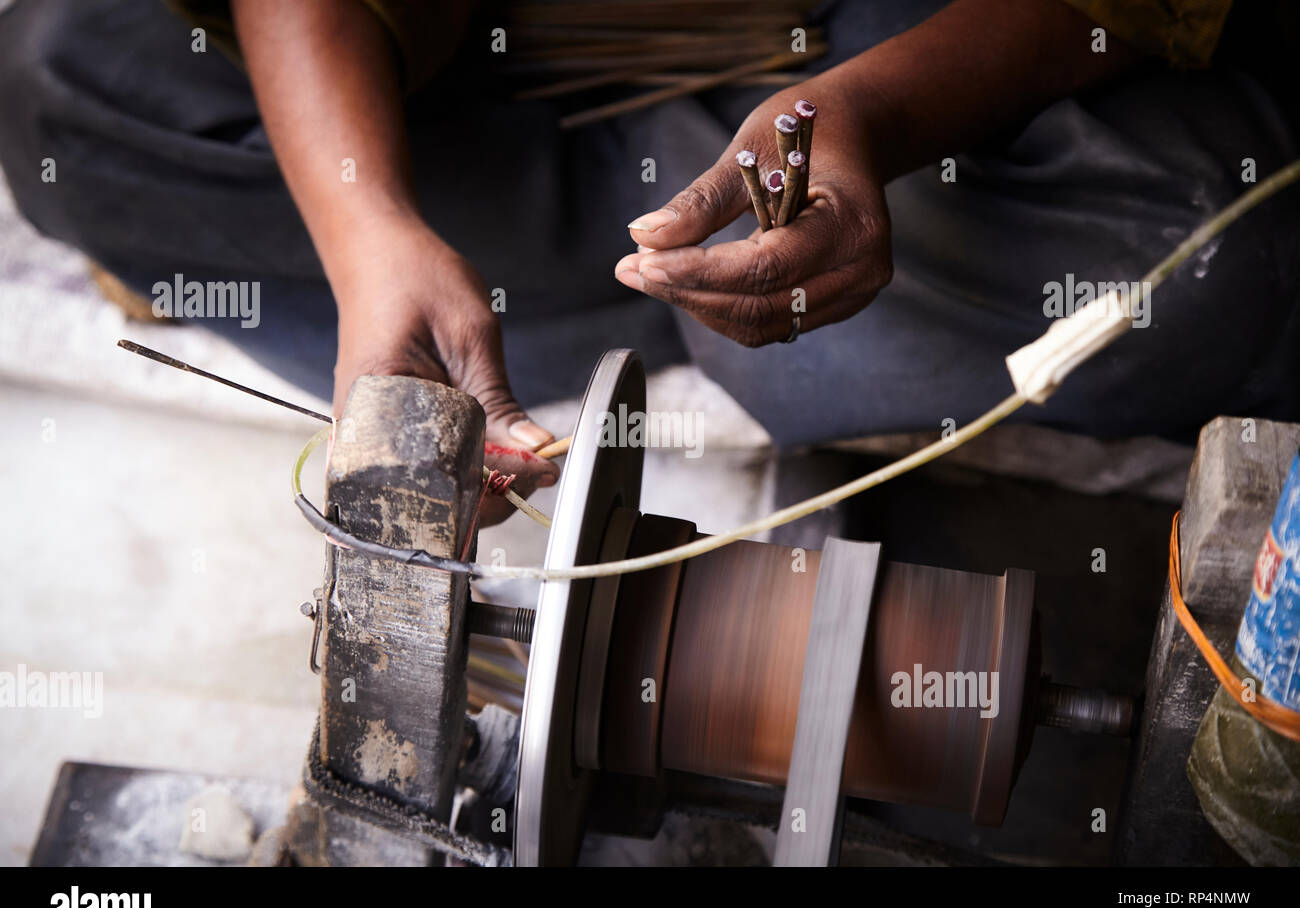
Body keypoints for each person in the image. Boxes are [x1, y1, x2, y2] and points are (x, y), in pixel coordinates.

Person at [1, 0, 1296, 499]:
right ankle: (658, 258)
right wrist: (368, 233)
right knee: (60, 80)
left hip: (886, 47)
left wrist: (863, 118)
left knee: (1209, 252)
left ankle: (723, 261)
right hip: (487, 50)